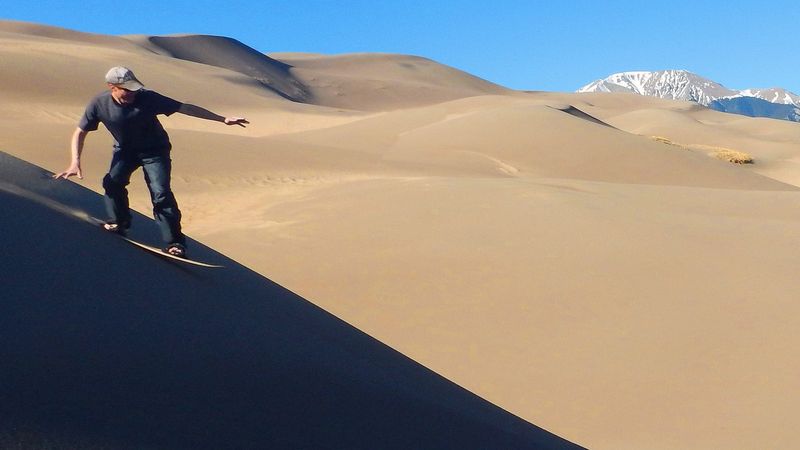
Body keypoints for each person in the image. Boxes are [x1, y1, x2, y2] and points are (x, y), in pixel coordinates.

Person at [54, 66, 248, 257]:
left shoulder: (148, 98)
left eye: (134, 88)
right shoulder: (99, 103)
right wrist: (75, 162)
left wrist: (222, 119)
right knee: (112, 183)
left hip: (155, 152)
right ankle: (119, 223)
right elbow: (80, 132)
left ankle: (175, 243)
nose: (132, 93)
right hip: (125, 151)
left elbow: (184, 108)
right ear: (112, 87)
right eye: (127, 89)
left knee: (160, 192)